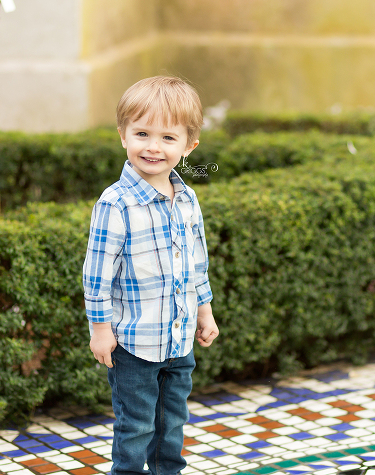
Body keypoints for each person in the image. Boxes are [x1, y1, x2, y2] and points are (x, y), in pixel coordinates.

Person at [83, 75, 219, 475]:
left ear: (189, 146)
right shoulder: (116, 204)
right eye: (142, 133)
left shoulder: (188, 199)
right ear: (123, 135)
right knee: (136, 427)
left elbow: (196, 262)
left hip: (178, 342)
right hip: (134, 346)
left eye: (167, 138)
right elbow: (97, 276)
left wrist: (204, 311)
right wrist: (100, 329)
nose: (153, 147)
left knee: (172, 423)